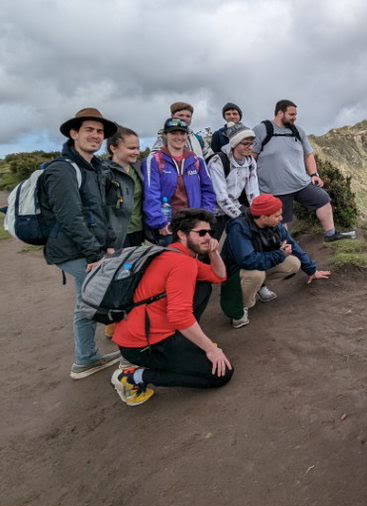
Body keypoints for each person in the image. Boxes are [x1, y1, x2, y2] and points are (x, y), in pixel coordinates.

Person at [111, 209, 233, 406]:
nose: (208, 237)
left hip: (138, 333)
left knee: (203, 286)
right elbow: (180, 315)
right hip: (145, 344)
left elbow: (219, 276)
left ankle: (186, 344)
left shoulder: (170, 253)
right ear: (182, 234)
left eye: (210, 232)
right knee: (221, 374)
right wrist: (210, 348)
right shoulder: (182, 263)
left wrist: (214, 253)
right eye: (201, 233)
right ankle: (133, 376)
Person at [39, 107, 121, 379]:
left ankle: (86, 357)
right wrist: (94, 253)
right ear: (73, 133)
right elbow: (70, 218)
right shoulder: (62, 170)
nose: (96, 135)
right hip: (72, 249)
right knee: (89, 301)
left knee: (87, 300)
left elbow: (99, 211)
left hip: (87, 247)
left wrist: (107, 244)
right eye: (89, 129)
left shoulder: (95, 167)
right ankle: (86, 359)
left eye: (100, 132)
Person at [252, 99, 355, 242]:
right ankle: (286, 248)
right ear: (280, 113)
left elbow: (308, 154)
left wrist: (314, 174)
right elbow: (251, 157)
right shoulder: (261, 130)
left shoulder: (298, 131)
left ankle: (330, 234)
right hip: (274, 188)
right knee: (281, 218)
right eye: (291, 114)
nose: (295, 117)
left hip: (300, 182)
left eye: (295, 114)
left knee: (323, 200)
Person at [223, 194, 330, 328]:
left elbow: (293, 245)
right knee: (256, 274)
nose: (281, 218)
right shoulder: (239, 228)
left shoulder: (274, 225)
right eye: (277, 216)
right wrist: (279, 254)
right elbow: (248, 261)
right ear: (263, 217)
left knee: (293, 263)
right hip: (235, 272)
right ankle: (240, 308)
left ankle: (259, 287)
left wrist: (311, 270)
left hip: (259, 263)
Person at [143, 117, 216, 245]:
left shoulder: (197, 160)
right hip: (168, 226)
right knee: (171, 263)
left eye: (182, 133)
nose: (179, 137)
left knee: (194, 263)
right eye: (173, 133)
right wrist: (160, 222)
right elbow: (151, 194)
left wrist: (205, 218)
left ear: (187, 135)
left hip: (194, 225)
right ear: (165, 135)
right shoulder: (154, 160)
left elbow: (208, 191)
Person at [207, 124, 259, 238]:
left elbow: (253, 193)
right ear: (234, 144)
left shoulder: (250, 162)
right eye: (245, 144)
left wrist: (257, 213)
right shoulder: (218, 161)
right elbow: (221, 197)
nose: (250, 147)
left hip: (235, 206)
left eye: (251, 144)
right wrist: (241, 218)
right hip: (214, 212)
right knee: (214, 245)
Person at [104, 126, 145, 249]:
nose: (137, 152)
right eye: (131, 148)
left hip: (138, 233)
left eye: (138, 148)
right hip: (115, 238)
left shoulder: (139, 169)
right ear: (113, 148)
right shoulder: (103, 173)